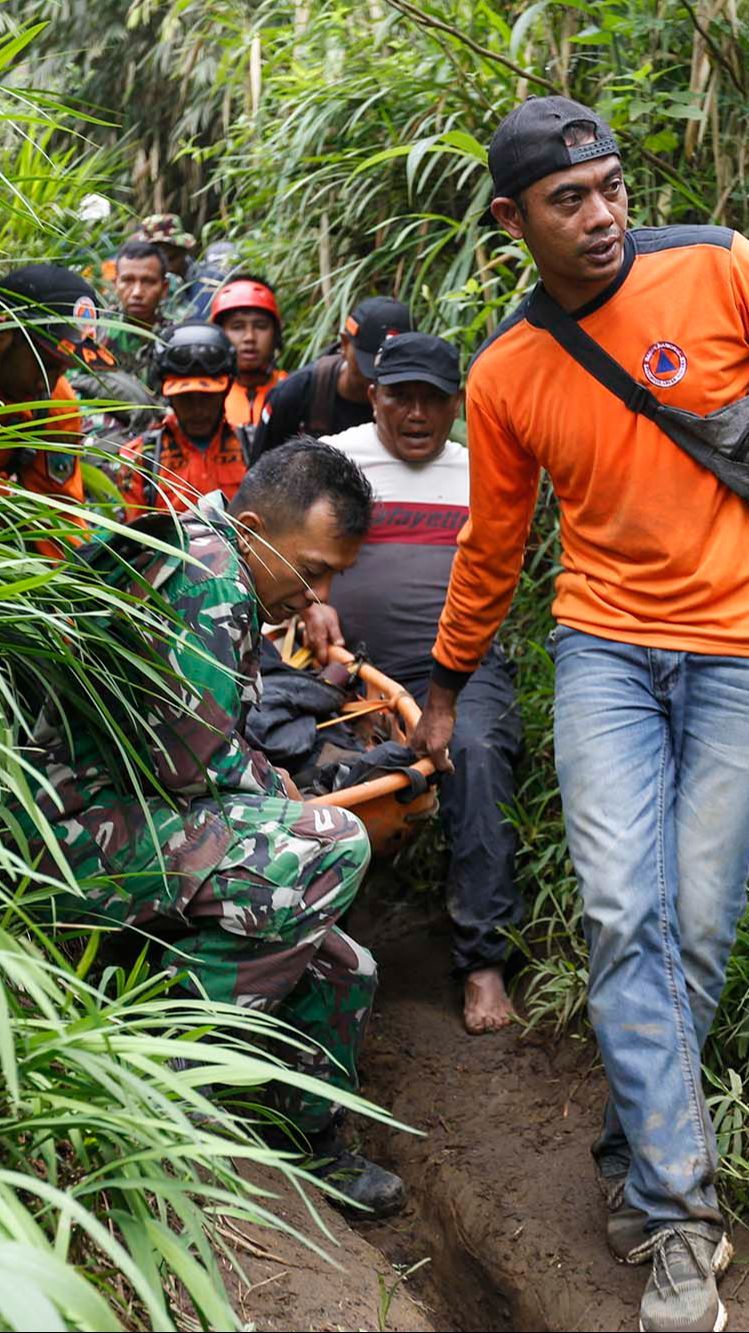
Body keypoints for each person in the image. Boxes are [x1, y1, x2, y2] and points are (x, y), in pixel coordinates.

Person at [412, 93, 749, 1332]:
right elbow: (493, 544)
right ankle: (678, 1216)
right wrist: (446, 683)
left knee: (696, 928)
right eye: (568, 199)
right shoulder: (505, 370)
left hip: (735, 647)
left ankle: (629, 1143)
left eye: (609, 186)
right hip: (603, 652)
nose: (601, 214)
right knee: (623, 910)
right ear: (512, 219)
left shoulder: (716, 266)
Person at [21, 437, 404, 1215]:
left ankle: (312, 1142)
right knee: (334, 845)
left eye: (333, 573)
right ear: (256, 526)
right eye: (312, 567)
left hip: (131, 823)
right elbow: (186, 767)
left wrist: (270, 789)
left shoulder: (206, 553)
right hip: (65, 840)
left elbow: (201, 755)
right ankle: (160, 1074)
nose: (318, 593)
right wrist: (287, 800)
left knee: (346, 964)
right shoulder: (209, 576)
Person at [304, 332, 523, 1034]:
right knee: (284, 759)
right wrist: (311, 598)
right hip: (349, 671)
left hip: (458, 671)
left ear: (456, 403)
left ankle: (482, 961)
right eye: (402, 397)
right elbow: (268, 536)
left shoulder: (480, 467)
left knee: (481, 755)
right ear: (374, 395)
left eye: (435, 399)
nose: (419, 413)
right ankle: (305, 950)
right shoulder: (333, 460)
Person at [0, 263, 115, 551]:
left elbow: (57, 509)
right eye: (47, 365)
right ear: (5, 335)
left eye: (62, 371)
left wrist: (80, 580)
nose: (48, 385)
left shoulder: (55, 404)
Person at [115, 320, 252, 522]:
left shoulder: (252, 447)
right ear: (168, 394)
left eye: (207, 397)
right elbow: (130, 540)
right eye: (185, 398)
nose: (197, 410)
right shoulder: (140, 457)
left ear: (226, 391)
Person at [253, 296, 413, 455]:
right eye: (370, 367)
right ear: (344, 344)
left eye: (391, 372)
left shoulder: (419, 401)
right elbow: (259, 472)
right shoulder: (295, 394)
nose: (377, 380)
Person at [209, 276, 287, 438]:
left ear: (276, 334)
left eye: (260, 326)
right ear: (219, 335)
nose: (249, 337)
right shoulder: (206, 399)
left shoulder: (292, 390)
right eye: (237, 327)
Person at [133, 214, 225, 322]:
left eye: (172, 258)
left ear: (183, 252)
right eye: (159, 261)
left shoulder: (210, 283)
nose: (167, 267)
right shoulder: (136, 290)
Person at [104, 240, 169, 377]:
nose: (137, 292)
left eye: (148, 281)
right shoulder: (99, 330)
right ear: (115, 284)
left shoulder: (174, 336)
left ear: (164, 288)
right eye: (128, 280)